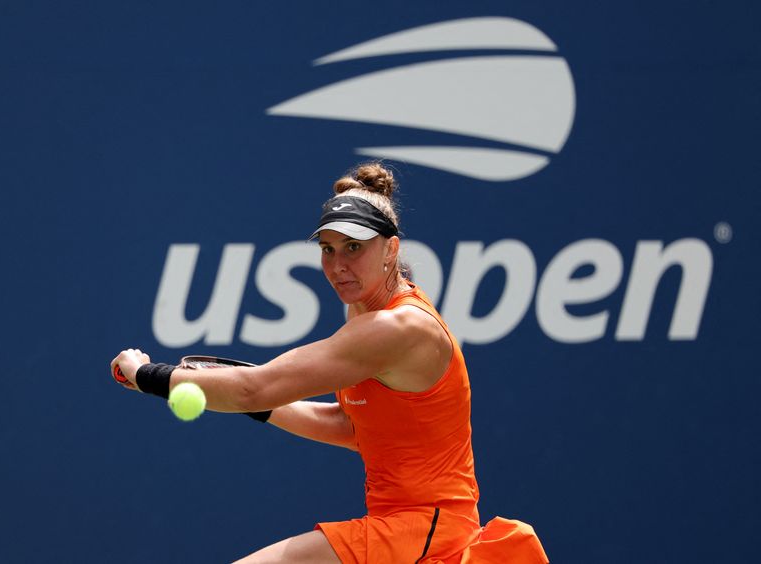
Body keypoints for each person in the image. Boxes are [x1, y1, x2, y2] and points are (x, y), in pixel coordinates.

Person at [111, 162, 549, 563]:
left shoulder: (397, 329)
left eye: (353, 248)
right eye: (327, 249)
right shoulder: (365, 312)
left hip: (426, 534)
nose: (338, 265)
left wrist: (146, 374)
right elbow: (353, 425)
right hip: (410, 532)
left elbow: (253, 388)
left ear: (390, 249)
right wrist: (256, 401)